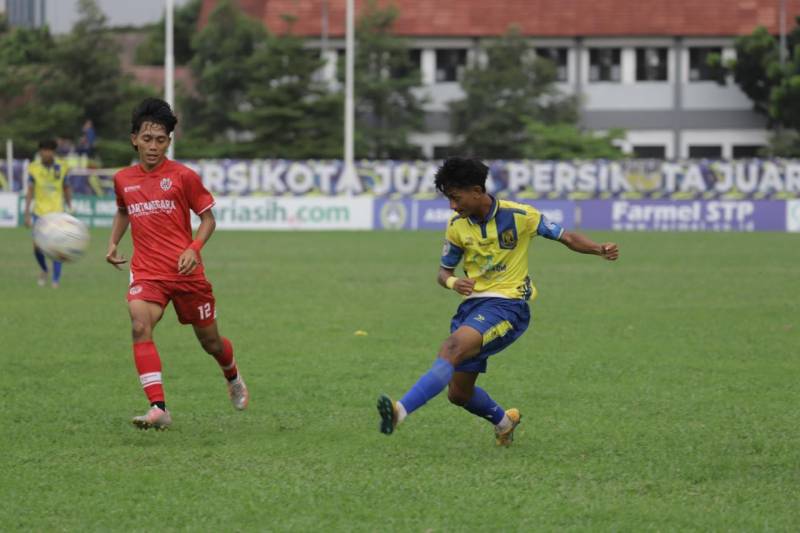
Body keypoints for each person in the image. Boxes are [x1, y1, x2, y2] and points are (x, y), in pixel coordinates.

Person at [377, 157, 619, 446]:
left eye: (456, 198)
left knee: (451, 348)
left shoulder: (520, 215)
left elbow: (565, 237)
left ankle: (399, 411)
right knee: (459, 395)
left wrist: (598, 249)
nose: (452, 206)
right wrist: (454, 282)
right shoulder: (456, 226)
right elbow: (443, 272)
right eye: (448, 200)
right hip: (472, 309)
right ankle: (505, 422)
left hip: (508, 305)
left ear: (477, 191)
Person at [105, 98, 248, 430]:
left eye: (161, 140)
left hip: (186, 274)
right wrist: (113, 242)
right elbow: (124, 210)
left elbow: (208, 219)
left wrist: (194, 248)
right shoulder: (123, 180)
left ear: (169, 141)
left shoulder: (183, 177)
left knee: (210, 343)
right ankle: (158, 407)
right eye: (147, 139)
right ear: (134, 139)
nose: (153, 146)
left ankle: (232, 375)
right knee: (140, 325)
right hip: (148, 273)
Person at [24, 139, 72, 288]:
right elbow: (30, 190)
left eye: (50, 150)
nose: (47, 153)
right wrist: (26, 212)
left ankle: (55, 281)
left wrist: (70, 205)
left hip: (57, 212)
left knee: (56, 247)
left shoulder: (62, 166)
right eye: (44, 150)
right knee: (37, 247)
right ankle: (45, 270)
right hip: (39, 213)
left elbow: (66, 187)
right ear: (40, 152)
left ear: (54, 152)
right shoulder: (33, 168)